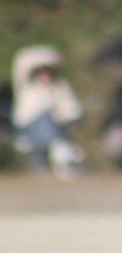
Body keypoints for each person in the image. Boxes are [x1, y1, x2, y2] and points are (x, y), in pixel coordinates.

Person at [11, 45, 84, 177]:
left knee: (53, 130)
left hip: (57, 128)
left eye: (48, 71)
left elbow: (71, 108)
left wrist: (72, 119)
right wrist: (47, 57)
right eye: (42, 71)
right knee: (45, 121)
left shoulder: (60, 86)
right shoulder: (28, 87)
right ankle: (61, 155)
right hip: (30, 128)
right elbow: (22, 64)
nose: (45, 75)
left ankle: (64, 159)